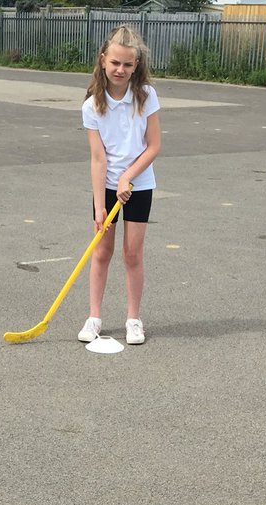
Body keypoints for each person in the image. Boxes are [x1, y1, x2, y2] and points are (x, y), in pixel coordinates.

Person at [78, 25, 161, 346]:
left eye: (128, 64)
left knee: (132, 254)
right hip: (107, 188)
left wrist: (129, 176)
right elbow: (98, 159)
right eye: (115, 63)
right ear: (103, 61)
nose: (120, 70)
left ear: (136, 65)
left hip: (139, 186)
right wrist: (100, 205)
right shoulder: (91, 106)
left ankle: (133, 320)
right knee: (102, 252)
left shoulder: (146, 96)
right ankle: (94, 317)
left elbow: (153, 146)